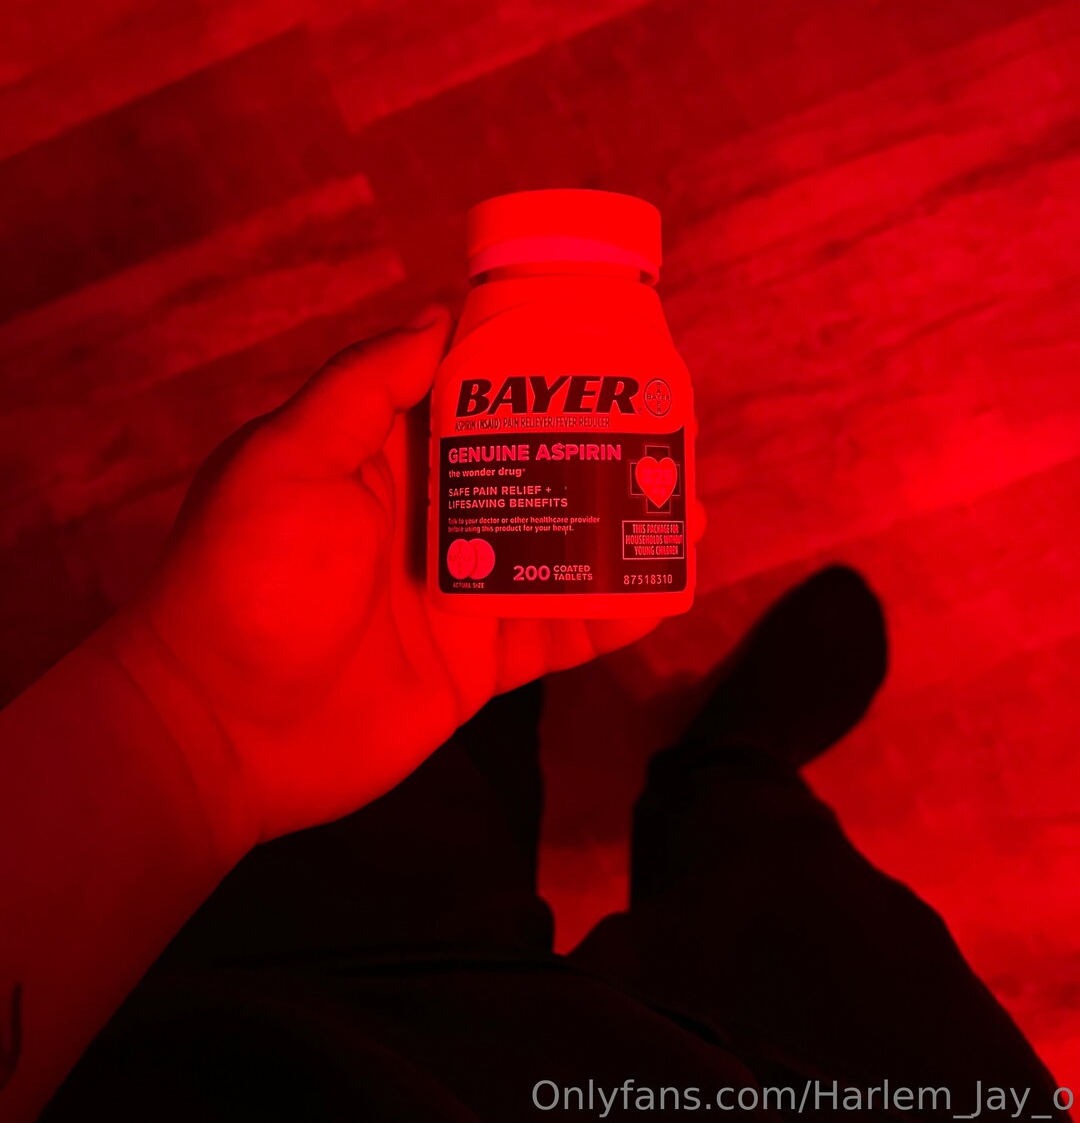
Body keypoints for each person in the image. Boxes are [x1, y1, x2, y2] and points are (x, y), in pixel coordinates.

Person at [0, 306, 1059, 1122]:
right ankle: (731, 768)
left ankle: (711, 770)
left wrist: (192, 717)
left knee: (429, 762)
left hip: (292, 1021)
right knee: (813, 914)